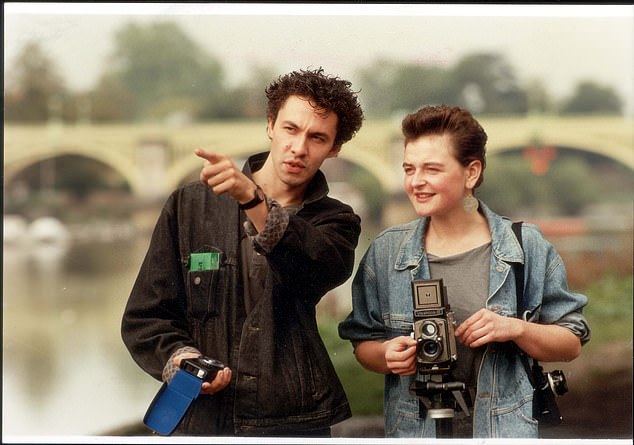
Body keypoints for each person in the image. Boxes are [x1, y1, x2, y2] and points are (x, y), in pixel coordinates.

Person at [121, 68, 364, 436]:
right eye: (290, 129)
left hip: (290, 423)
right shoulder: (189, 206)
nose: (299, 148)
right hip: (199, 420)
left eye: (317, 137)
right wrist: (180, 359)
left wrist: (251, 198)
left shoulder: (336, 221)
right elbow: (146, 318)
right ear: (270, 125)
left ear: (334, 148)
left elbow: (315, 268)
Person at [338, 105, 590, 438]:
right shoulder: (386, 252)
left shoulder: (524, 246)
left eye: (431, 169)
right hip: (415, 431)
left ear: (471, 172)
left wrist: (514, 328)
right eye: (409, 169)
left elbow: (571, 343)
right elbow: (364, 345)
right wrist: (386, 355)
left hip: (504, 431)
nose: (415, 182)